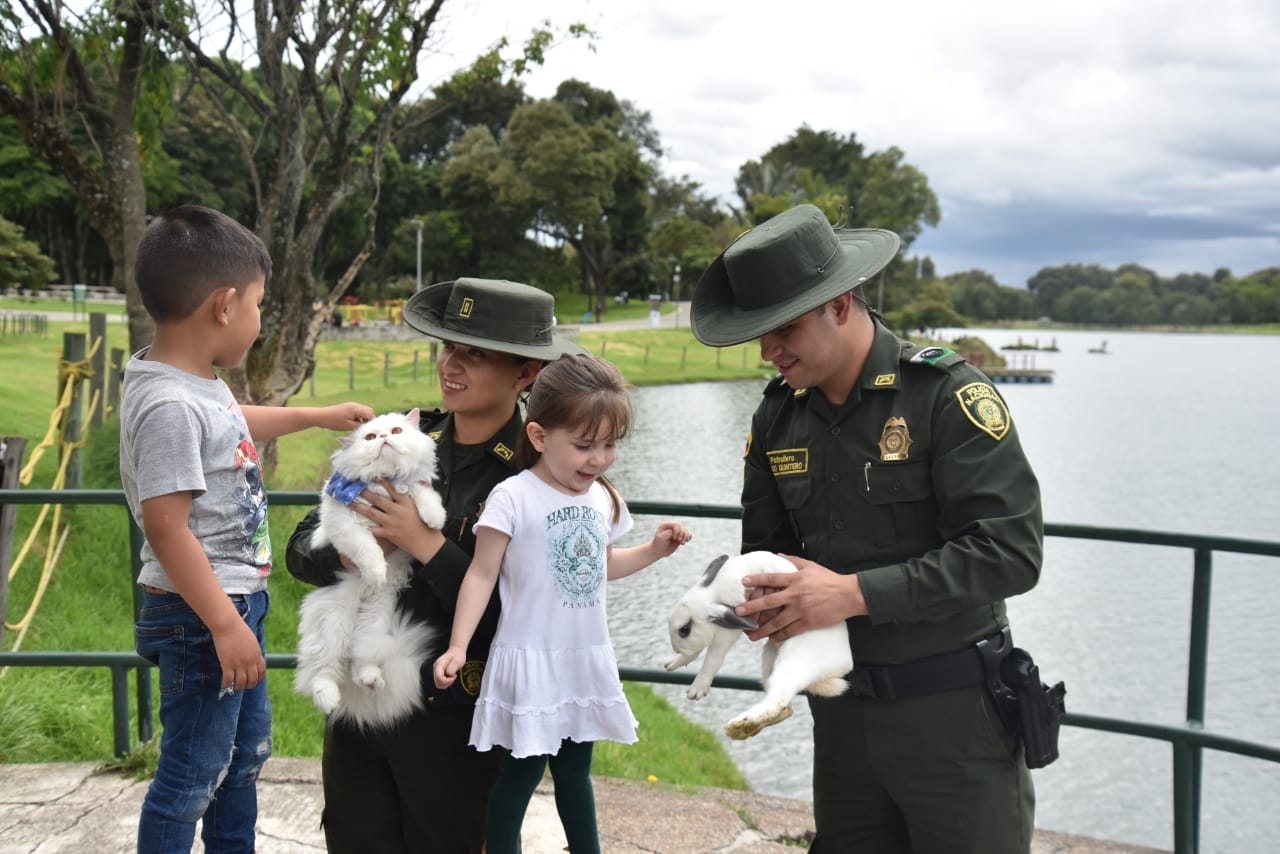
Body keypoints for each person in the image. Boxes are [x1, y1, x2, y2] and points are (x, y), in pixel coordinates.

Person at [689, 203, 1044, 854]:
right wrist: (745, 604)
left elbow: (1012, 553)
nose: (768, 351)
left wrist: (852, 594)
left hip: (955, 725)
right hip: (844, 725)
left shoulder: (943, 396)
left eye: (785, 328)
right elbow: (766, 556)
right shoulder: (775, 419)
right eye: (759, 333)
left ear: (842, 305)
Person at [285, 277, 585, 853]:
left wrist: (425, 545)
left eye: (476, 354)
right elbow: (303, 546)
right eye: (448, 347)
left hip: (458, 718)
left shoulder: (543, 475)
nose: (452, 364)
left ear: (524, 374)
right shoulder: (403, 439)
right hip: (361, 707)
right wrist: (355, 550)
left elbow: (541, 617)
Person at [119, 204, 373, 853]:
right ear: (225, 306)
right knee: (192, 773)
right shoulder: (170, 405)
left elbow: (234, 424)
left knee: (242, 758)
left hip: (232, 606)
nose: (261, 323)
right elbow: (168, 528)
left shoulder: (197, 383)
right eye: (261, 305)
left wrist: (316, 416)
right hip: (202, 615)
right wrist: (225, 625)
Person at [432, 354, 693, 854]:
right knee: (520, 778)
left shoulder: (603, 498)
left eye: (610, 445)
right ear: (538, 437)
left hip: (582, 658)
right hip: (530, 660)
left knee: (577, 775)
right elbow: (482, 574)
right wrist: (459, 646)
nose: (597, 460)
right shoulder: (513, 497)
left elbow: (602, 565)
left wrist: (656, 550)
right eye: (584, 446)